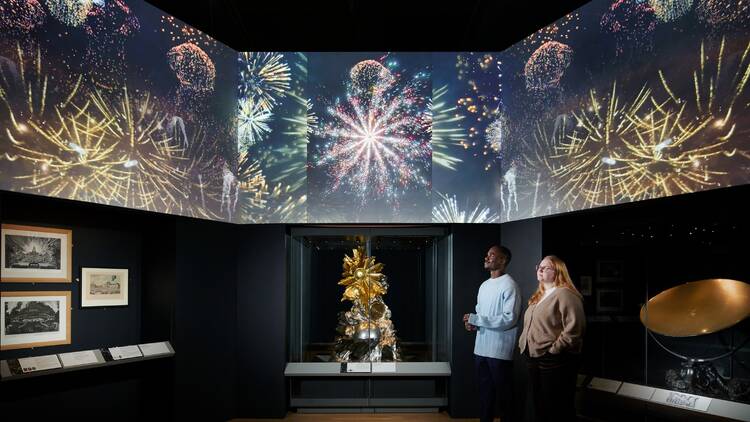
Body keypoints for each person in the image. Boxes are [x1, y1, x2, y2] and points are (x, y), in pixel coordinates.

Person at [519, 255, 585, 422]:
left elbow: (575, 329)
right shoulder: (538, 296)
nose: (540, 270)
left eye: (546, 267)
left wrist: (554, 350)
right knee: (539, 405)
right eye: (539, 267)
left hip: (554, 359)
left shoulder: (566, 294)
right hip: (533, 357)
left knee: (557, 407)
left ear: (558, 272)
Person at [463, 245, 521, 422]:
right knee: (484, 396)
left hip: (500, 352)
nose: (487, 258)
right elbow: (480, 314)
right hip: (480, 350)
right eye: (487, 254)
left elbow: (509, 319)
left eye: (492, 255)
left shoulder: (510, 285)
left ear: (503, 260)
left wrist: (477, 320)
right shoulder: (484, 285)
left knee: (505, 399)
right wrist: (472, 324)